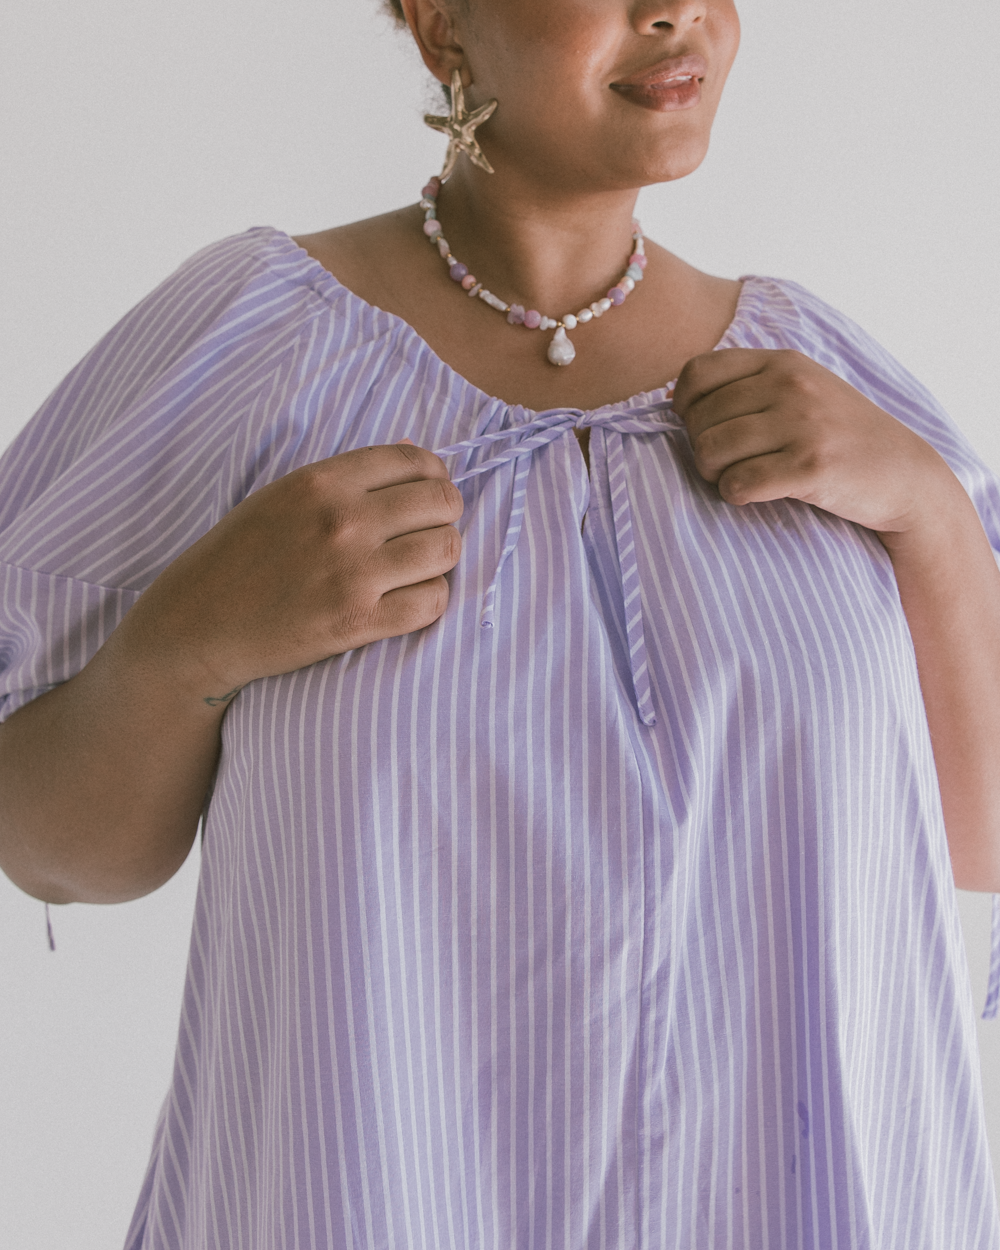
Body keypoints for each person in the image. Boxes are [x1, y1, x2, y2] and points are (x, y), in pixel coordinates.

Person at [1, 0, 999, 1245]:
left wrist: (928, 510)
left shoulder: (823, 380)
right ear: (439, 25)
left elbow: (977, 835)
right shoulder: (252, 346)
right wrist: (184, 645)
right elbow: (44, 845)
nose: (675, 10)